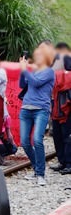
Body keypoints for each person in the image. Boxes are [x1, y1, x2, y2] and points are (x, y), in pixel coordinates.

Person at [19, 43, 56, 185]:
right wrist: (24, 70)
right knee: (24, 142)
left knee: (37, 140)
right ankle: (36, 168)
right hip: (26, 108)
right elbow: (23, 85)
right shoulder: (33, 70)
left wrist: (25, 70)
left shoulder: (49, 71)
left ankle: (40, 174)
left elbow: (35, 83)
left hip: (41, 109)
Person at [51, 50, 71, 174]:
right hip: (57, 108)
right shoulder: (57, 75)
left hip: (67, 110)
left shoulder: (66, 76)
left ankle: (68, 163)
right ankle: (62, 161)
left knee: (67, 137)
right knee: (58, 136)